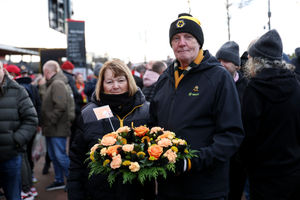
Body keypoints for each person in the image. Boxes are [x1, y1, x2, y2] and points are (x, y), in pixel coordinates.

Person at [149, 13, 244, 200]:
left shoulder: (219, 77)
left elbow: (231, 135)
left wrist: (190, 162)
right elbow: (153, 124)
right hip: (169, 187)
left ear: (199, 42)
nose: (181, 43)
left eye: (188, 37)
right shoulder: (165, 78)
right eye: (176, 38)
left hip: (206, 189)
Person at [67, 59, 155, 200]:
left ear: (129, 81)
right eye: (109, 82)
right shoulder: (88, 113)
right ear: (101, 84)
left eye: (121, 80)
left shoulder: (147, 111)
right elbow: (77, 159)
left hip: (139, 192)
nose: (115, 86)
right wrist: (74, 193)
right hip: (98, 193)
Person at [240, 29, 300, 200]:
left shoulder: (254, 89)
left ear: (256, 61)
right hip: (293, 173)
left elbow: (248, 136)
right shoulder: (295, 85)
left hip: (264, 176)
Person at [0, 61, 38, 200]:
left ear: (2, 70)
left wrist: (16, 140)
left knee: (13, 195)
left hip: (11, 156)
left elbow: (31, 119)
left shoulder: (18, 90)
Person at [216, 41, 248, 200]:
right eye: (219, 60)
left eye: (226, 61)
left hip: (239, 157)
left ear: (236, 65)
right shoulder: (212, 84)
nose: (221, 64)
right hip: (216, 154)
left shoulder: (247, 87)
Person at [41, 60, 71, 191]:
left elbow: (60, 106)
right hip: (53, 128)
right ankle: (59, 180)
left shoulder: (57, 83)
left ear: (47, 72)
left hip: (56, 128)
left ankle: (72, 181)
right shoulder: (54, 83)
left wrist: (50, 121)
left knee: (60, 156)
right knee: (55, 156)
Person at [15, 65, 41, 199]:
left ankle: (27, 189)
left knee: (24, 158)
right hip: (28, 128)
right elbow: (38, 105)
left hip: (21, 130)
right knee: (27, 157)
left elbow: (31, 110)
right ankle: (30, 186)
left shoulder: (19, 88)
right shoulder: (32, 86)